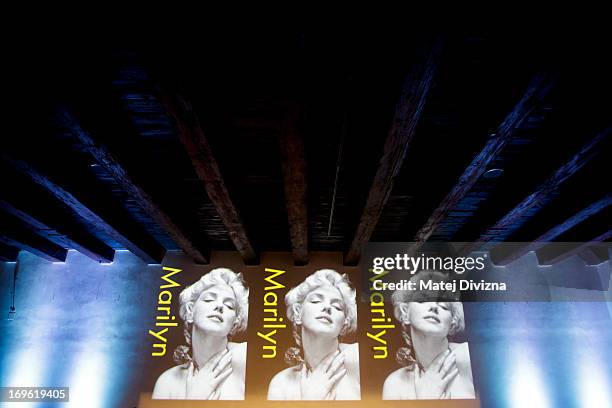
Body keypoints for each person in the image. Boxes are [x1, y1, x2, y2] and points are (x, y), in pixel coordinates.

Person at [152, 268, 249, 400]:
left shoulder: (244, 357)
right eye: (209, 299)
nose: (219, 306)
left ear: (235, 322)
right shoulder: (168, 381)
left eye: (229, 306)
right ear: (190, 311)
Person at [267, 269, 361, 400]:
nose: (327, 307)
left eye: (337, 307)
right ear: (298, 312)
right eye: (316, 301)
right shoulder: (281, 383)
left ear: (344, 324)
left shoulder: (357, 360)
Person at [383, 271, 475, 400]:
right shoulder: (394, 383)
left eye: (444, 306)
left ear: (452, 322)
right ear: (405, 312)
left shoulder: (469, 357)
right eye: (422, 299)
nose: (434, 307)